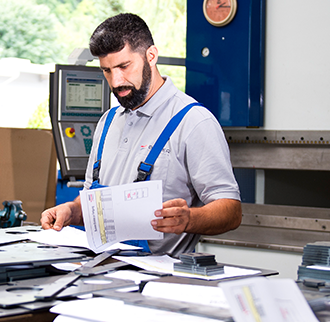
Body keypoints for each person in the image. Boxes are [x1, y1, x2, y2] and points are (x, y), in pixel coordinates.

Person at [40, 13, 242, 256]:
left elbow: (231, 211)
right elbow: (95, 205)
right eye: (107, 71)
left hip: (162, 282)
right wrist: (72, 212)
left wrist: (189, 219)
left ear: (151, 56)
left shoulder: (194, 122)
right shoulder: (108, 122)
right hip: (102, 273)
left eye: (124, 67)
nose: (116, 81)